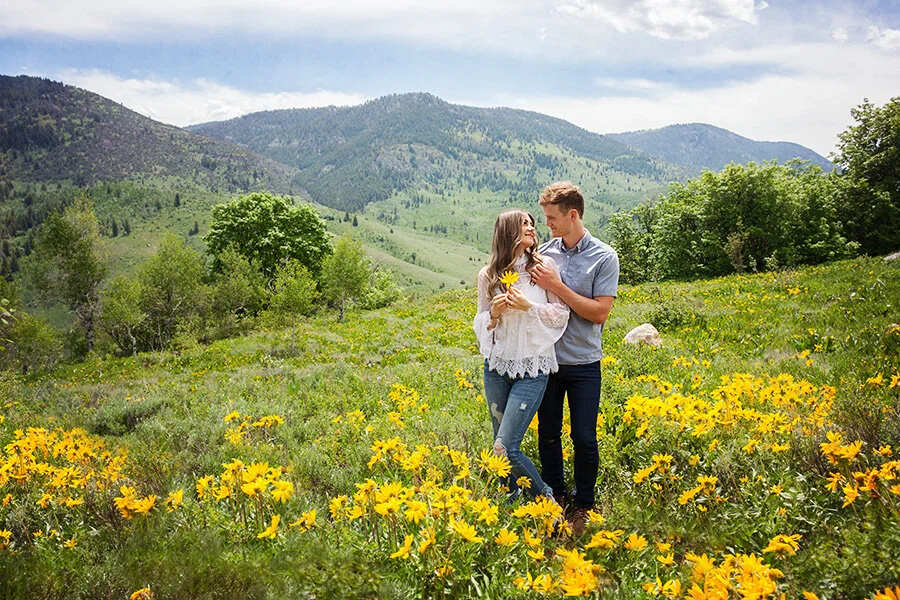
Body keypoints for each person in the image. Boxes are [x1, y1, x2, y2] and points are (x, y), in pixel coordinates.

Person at [530, 181, 619, 536]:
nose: (547, 224)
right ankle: (554, 497)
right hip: (547, 362)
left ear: (572, 215)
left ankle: (583, 504)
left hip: (584, 363)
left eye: (552, 218)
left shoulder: (604, 257)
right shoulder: (545, 253)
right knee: (548, 434)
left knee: (584, 437)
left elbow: (599, 313)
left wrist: (557, 286)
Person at [473, 209, 570, 502]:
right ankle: (512, 501)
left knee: (505, 447)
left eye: (531, 223)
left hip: (533, 368)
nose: (531, 228)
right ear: (508, 232)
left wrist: (529, 306)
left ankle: (547, 502)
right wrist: (494, 312)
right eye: (524, 224)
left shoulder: (543, 267)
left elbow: (560, 315)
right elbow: (479, 321)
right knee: (497, 446)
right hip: (496, 367)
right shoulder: (488, 275)